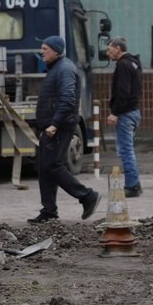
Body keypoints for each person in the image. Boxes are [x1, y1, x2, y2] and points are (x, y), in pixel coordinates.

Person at [28, 36, 99, 224]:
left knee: (53, 166)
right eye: (42, 48)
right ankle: (49, 211)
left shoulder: (65, 70)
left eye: (45, 48)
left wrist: (55, 124)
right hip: (52, 126)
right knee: (45, 167)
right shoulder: (56, 69)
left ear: (57, 51)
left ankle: (87, 196)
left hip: (59, 127)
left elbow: (68, 100)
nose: (42, 51)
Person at [106, 37, 144, 197]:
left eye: (110, 49)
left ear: (118, 48)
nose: (108, 53)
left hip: (125, 113)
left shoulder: (122, 65)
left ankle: (132, 186)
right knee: (128, 149)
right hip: (134, 111)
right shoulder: (134, 63)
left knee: (125, 150)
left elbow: (123, 91)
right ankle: (134, 183)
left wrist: (115, 112)